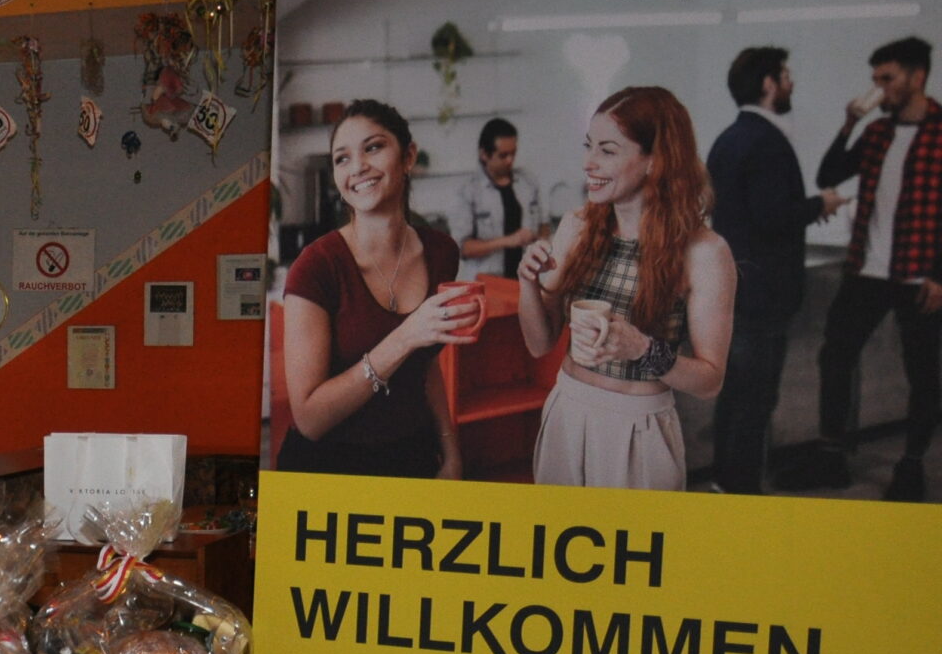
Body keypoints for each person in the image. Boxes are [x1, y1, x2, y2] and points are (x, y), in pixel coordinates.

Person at [516, 87, 734, 491]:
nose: (589, 163)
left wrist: (641, 349)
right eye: (588, 146)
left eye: (608, 150)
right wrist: (527, 283)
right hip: (567, 410)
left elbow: (710, 381)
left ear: (655, 161)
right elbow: (539, 343)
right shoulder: (577, 226)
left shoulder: (704, 252)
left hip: (638, 427)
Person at [275, 100, 481, 479]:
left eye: (373, 147)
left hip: (413, 458)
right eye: (342, 158)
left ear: (408, 157)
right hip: (328, 472)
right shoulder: (316, 267)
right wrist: (404, 337)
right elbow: (310, 420)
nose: (357, 167)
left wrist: (451, 452)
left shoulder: (441, 252)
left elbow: (426, 363)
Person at [797, 36, 941, 501]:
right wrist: (848, 124)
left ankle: (911, 466)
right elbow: (828, 176)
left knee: (924, 374)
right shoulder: (877, 132)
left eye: (888, 78)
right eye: (875, 79)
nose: (879, 87)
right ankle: (831, 456)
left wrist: (940, 275)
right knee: (835, 356)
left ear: (917, 76)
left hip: (920, 275)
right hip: (867, 270)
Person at [706, 47, 844, 493]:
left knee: (734, 394)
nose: (791, 83)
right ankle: (743, 492)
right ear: (768, 84)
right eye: (785, 75)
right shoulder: (767, 142)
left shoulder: (728, 139)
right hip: (764, 294)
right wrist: (819, 204)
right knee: (756, 399)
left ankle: (724, 483)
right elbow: (771, 216)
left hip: (735, 287)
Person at [446, 118, 544, 281]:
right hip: (487, 282)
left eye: (513, 153)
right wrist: (508, 241)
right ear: (484, 154)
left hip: (526, 279)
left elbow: (542, 225)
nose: (510, 160)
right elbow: (463, 248)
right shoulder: (467, 192)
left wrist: (540, 240)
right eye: (503, 155)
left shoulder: (528, 182)